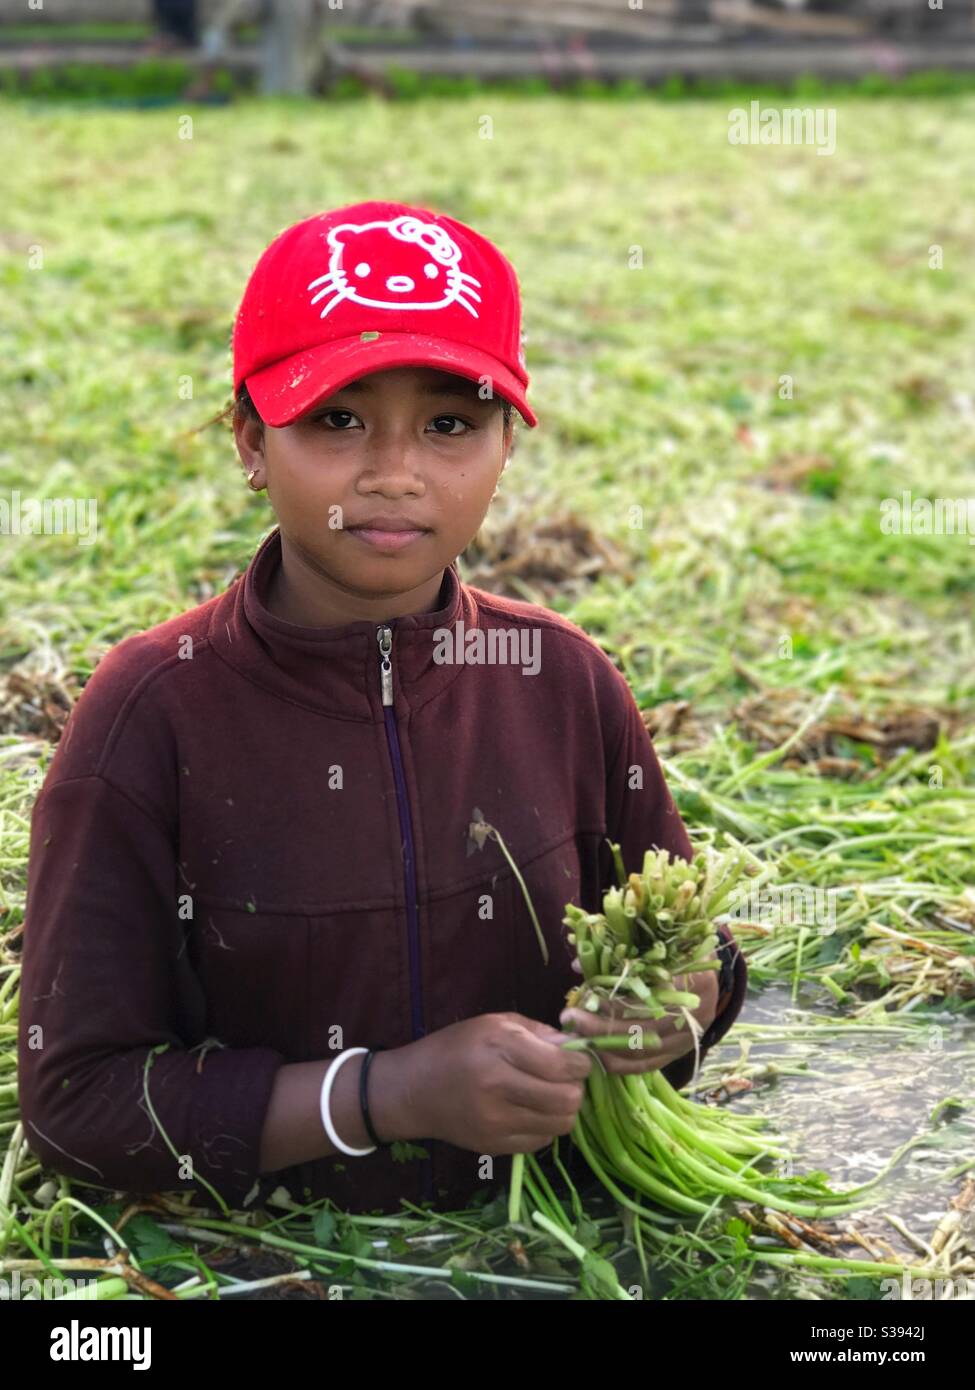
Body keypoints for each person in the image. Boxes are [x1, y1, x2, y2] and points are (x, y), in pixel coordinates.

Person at [17, 200, 747, 1216]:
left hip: (552, 1240)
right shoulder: (152, 711)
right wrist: (386, 1097)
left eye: (449, 424)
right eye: (337, 419)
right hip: (270, 1259)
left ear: (504, 447)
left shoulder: (563, 677)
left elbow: (695, 948)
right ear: (250, 441)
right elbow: (77, 1107)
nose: (393, 473)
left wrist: (674, 1011)